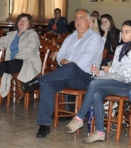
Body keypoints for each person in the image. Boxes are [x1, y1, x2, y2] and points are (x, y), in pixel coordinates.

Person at [22, 9, 103, 138]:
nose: (78, 21)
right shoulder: (70, 37)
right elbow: (60, 56)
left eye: (81, 18)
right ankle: (44, 125)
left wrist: (68, 63)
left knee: (70, 67)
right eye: (76, 18)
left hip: (86, 78)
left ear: (89, 22)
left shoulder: (95, 38)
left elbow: (82, 63)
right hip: (67, 75)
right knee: (48, 85)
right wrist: (65, 61)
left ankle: (38, 80)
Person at [64, 20, 131, 143]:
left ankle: (79, 118)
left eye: (127, 32)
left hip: (129, 84)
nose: (123, 34)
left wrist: (116, 73)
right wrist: (99, 73)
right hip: (117, 81)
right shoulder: (119, 48)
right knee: (97, 94)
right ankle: (100, 132)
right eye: (122, 31)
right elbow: (114, 71)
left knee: (94, 84)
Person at [0, 13, 41, 100]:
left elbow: (30, 49)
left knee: (12, 63)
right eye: (20, 20)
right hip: (12, 62)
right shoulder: (12, 34)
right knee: (1, 65)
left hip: (28, 62)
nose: (22, 22)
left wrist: (16, 57)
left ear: (29, 25)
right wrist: (1, 49)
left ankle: (20, 87)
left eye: (25, 21)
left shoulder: (32, 34)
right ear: (17, 23)